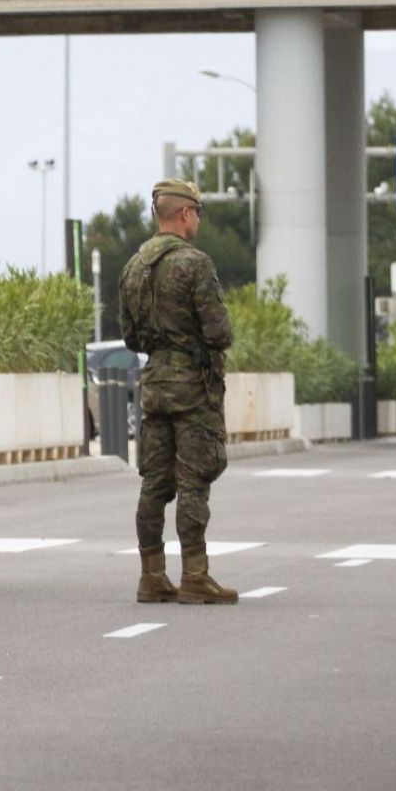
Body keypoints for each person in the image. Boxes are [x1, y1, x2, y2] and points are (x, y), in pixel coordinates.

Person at [117, 179, 236, 605]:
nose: (198, 219)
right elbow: (219, 332)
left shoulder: (134, 267)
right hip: (193, 389)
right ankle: (195, 575)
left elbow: (130, 337)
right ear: (184, 214)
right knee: (192, 483)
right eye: (197, 212)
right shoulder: (194, 264)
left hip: (154, 387)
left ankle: (151, 576)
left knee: (153, 484)